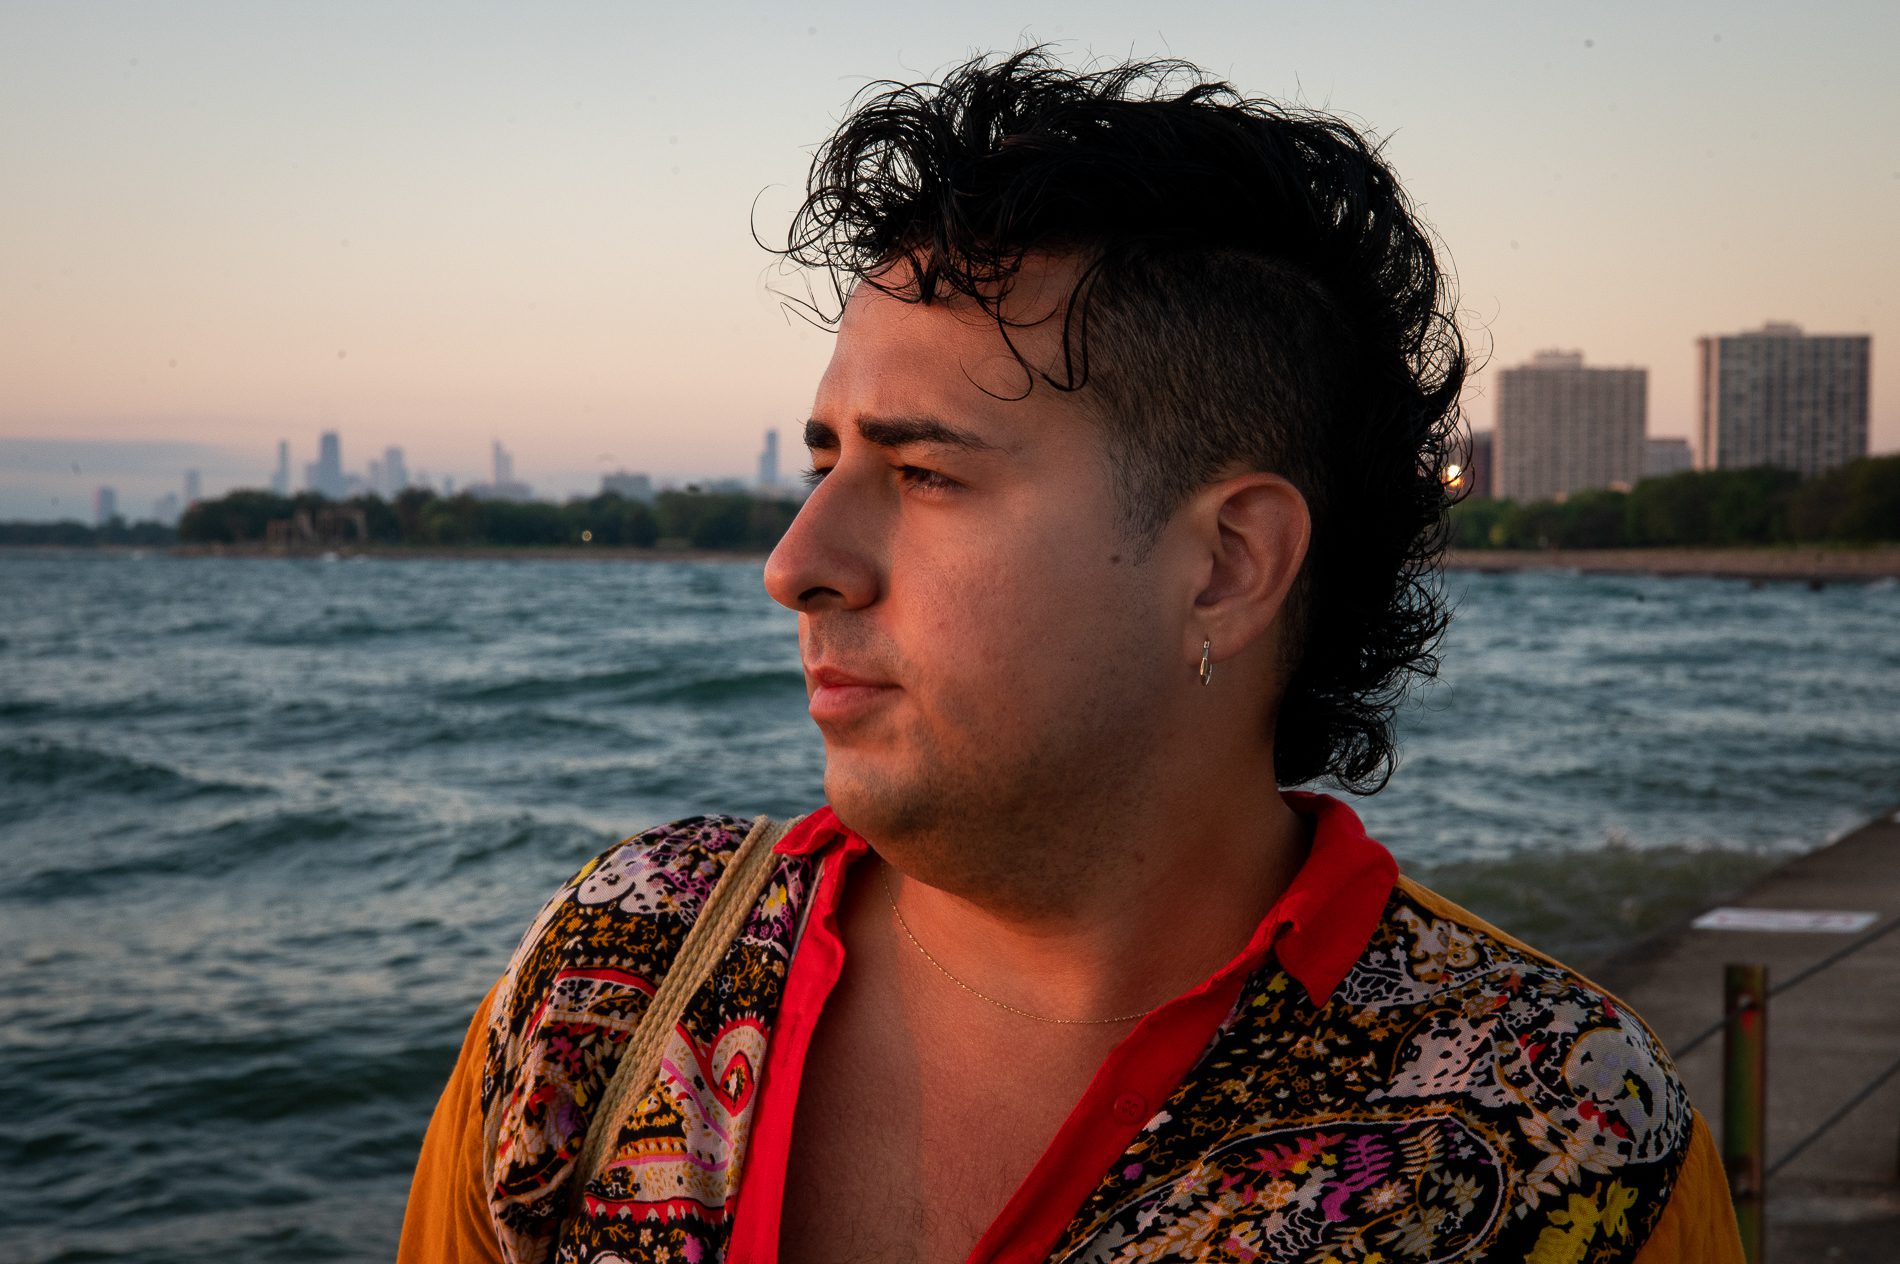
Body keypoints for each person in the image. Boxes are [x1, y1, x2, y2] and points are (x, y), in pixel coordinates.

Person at [399, 49, 1744, 1264]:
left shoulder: (1567, 1135)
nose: (796, 562)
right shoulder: (612, 977)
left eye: (923, 473)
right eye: (825, 463)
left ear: (1226, 566)